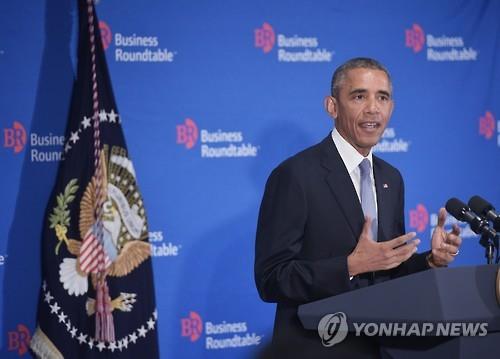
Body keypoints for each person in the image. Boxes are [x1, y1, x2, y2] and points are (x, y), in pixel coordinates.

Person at [254, 57, 462, 358]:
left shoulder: (391, 178)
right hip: (315, 348)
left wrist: (430, 261)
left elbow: (386, 270)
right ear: (332, 106)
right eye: (359, 96)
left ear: (391, 108)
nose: (373, 108)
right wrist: (350, 266)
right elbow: (271, 279)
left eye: (383, 97)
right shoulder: (295, 176)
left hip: (378, 347)